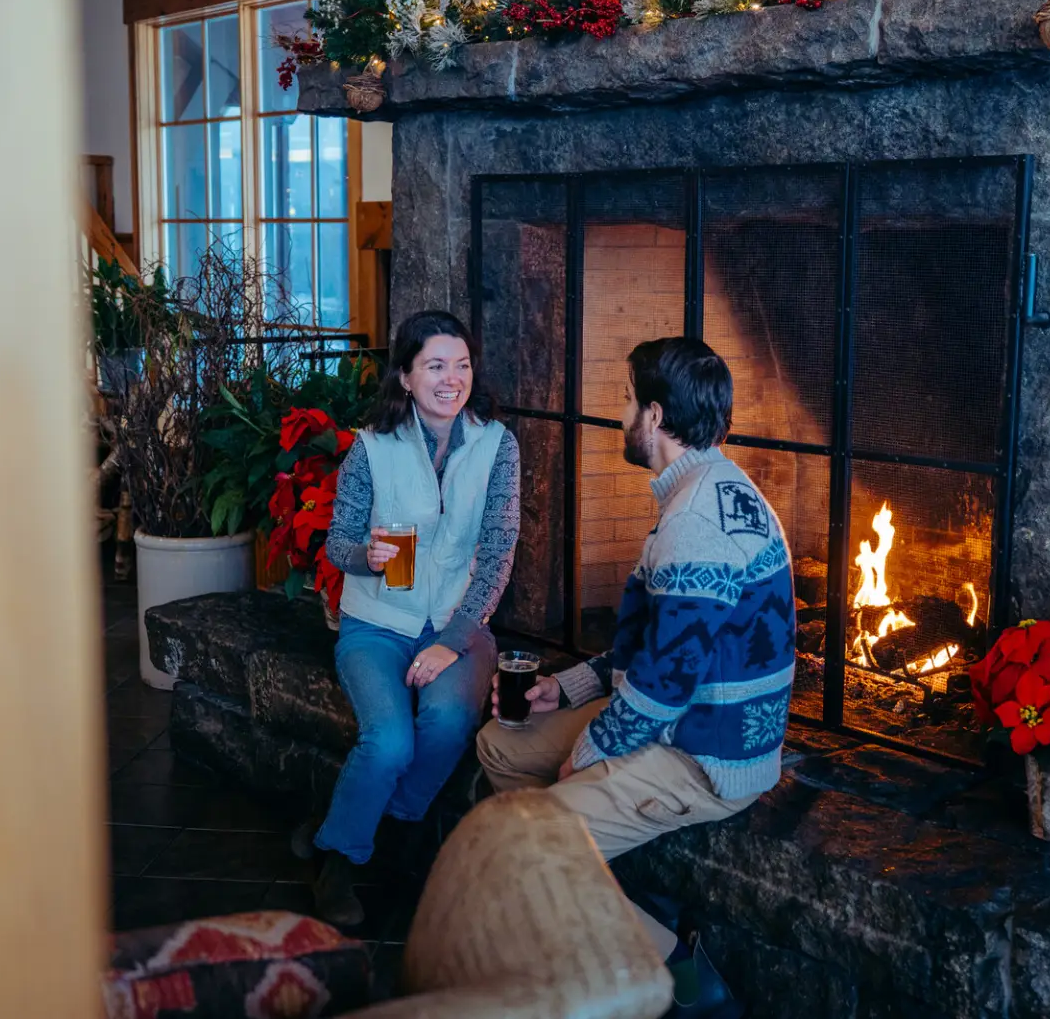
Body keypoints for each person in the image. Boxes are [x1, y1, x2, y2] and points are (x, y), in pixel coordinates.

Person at [474, 336, 793, 1015]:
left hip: (706, 753)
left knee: (519, 851)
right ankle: (605, 898)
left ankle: (684, 977)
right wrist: (570, 688)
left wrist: (587, 755)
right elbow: (660, 651)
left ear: (653, 416)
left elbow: (665, 683)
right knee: (501, 747)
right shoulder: (704, 490)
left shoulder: (696, 524)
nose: (619, 413)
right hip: (675, 718)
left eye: (624, 400)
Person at [295, 310, 520, 927]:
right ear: (406, 375)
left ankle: (353, 827)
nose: (452, 379)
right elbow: (337, 544)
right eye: (436, 366)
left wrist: (451, 641)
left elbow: (499, 555)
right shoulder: (371, 449)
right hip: (375, 625)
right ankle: (340, 862)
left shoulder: (498, 445)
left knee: (448, 719)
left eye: (463, 365)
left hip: (458, 625)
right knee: (390, 739)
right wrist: (365, 556)